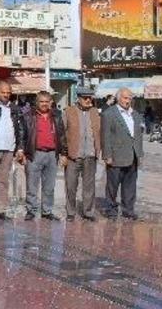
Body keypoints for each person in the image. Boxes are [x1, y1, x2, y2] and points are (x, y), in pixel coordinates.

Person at [0, 81, 26, 219]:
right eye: (3, 92)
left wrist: (19, 148)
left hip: (8, 148)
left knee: (2, 180)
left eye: (8, 92)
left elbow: (20, 130)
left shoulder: (15, 109)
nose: (6, 95)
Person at [22, 91, 66, 221]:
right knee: (32, 185)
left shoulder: (57, 115)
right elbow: (23, 135)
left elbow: (62, 135)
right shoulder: (28, 115)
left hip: (52, 154)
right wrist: (21, 151)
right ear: (37, 102)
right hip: (35, 154)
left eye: (47, 101)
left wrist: (64, 153)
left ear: (51, 102)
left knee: (49, 186)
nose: (44, 104)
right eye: (41, 101)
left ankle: (47, 211)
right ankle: (31, 210)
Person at [101, 88, 144, 220]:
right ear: (118, 98)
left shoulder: (135, 114)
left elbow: (138, 136)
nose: (128, 101)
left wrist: (140, 154)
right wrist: (107, 155)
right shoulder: (109, 114)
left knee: (130, 186)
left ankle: (128, 210)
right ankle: (111, 210)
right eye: (125, 98)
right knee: (112, 186)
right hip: (116, 156)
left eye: (130, 98)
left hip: (132, 156)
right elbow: (105, 136)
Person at [62, 87, 101, 222]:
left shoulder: (95, 112)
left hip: (90, 155)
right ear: (78, 98)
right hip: (73, 155)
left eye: (90, 98)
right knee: (71, 185)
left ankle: (88, 212)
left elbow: (99, 132)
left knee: (89, 186)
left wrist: (98, 150)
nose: (88, 100)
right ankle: (71, 212)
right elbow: (62, 133)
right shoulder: (69, 111)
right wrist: (64, 153)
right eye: (85, 98)